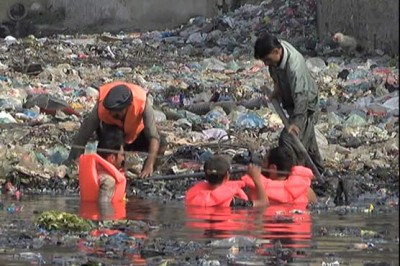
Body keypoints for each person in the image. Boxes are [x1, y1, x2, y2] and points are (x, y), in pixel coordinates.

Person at [254, 32, 324, 175]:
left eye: (267, 60)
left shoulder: (295, 67)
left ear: (276, 51)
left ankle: (294, 176)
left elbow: (301, 96)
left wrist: (297, 122)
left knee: (290, 141)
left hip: (305, 105)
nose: (267, 64)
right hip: (291, 100)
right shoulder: (277, 54)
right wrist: (277, 91)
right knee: (307, 139)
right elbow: (277, 73)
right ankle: (318, 172)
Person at [68, 81, 167, 178]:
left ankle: (147, 175)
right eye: (110, 111)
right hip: (113, 134)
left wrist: (149, 164)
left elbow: (153, 136)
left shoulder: (141, 101)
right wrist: (76, 159)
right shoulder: (102, 105)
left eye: (116, 112)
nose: (111, 115)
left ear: (127, 107)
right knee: (111, 153)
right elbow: (84, 133)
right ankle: (108, 175)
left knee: (161, 143)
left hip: (135, 134)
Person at [242, 146, 318, 204]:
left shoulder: (255, 189)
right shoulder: (306, 191)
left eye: (264, 161)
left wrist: (256, 178)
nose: (261, 164)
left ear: (273, 168)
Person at [185, 155, 268, 207]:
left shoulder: (194, 195)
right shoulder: (233, 202)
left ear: (206, 175)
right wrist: (256, 179)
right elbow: (263, 203)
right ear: (227, 175)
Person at [78, 126, 127, 202]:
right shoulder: (108, 181)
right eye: (122, 155)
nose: (123, 159)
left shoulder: (97, 172)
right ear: (112, 158)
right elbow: (104, 209)